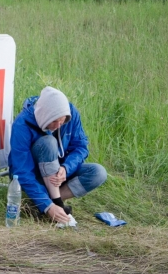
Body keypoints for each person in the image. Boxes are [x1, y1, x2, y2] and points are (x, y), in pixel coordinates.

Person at [8, 86, 107, 223]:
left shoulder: (70, 113)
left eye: (63, 121)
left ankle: (43, 203)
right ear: (44, 114)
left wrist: (66, 168)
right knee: (48, 142)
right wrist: (48, 207)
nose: (59, 125)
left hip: (59, 173)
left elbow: (81, 147)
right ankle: (51, 204)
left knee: (98, 173)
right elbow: (22, 171)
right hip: (35, 177)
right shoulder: (22, 125)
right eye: (54, 121)